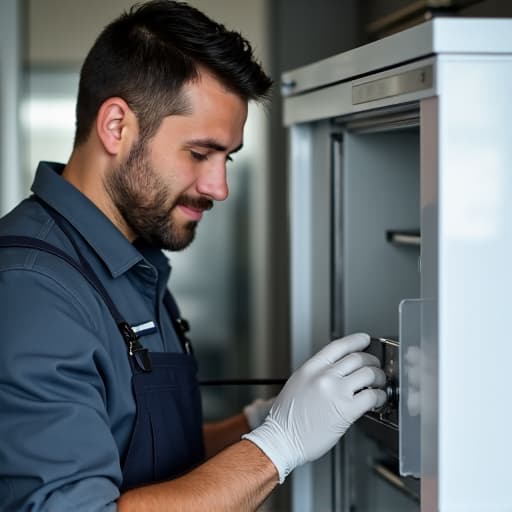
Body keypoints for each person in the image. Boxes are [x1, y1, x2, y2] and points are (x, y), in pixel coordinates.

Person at [0, 1, 387, 510]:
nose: (220, 186)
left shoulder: (130, 263)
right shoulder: (32, 290)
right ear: (116, 127)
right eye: (200, 153)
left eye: (228, 158)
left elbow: (147, 458)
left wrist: (258, 423)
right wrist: (278, 446)